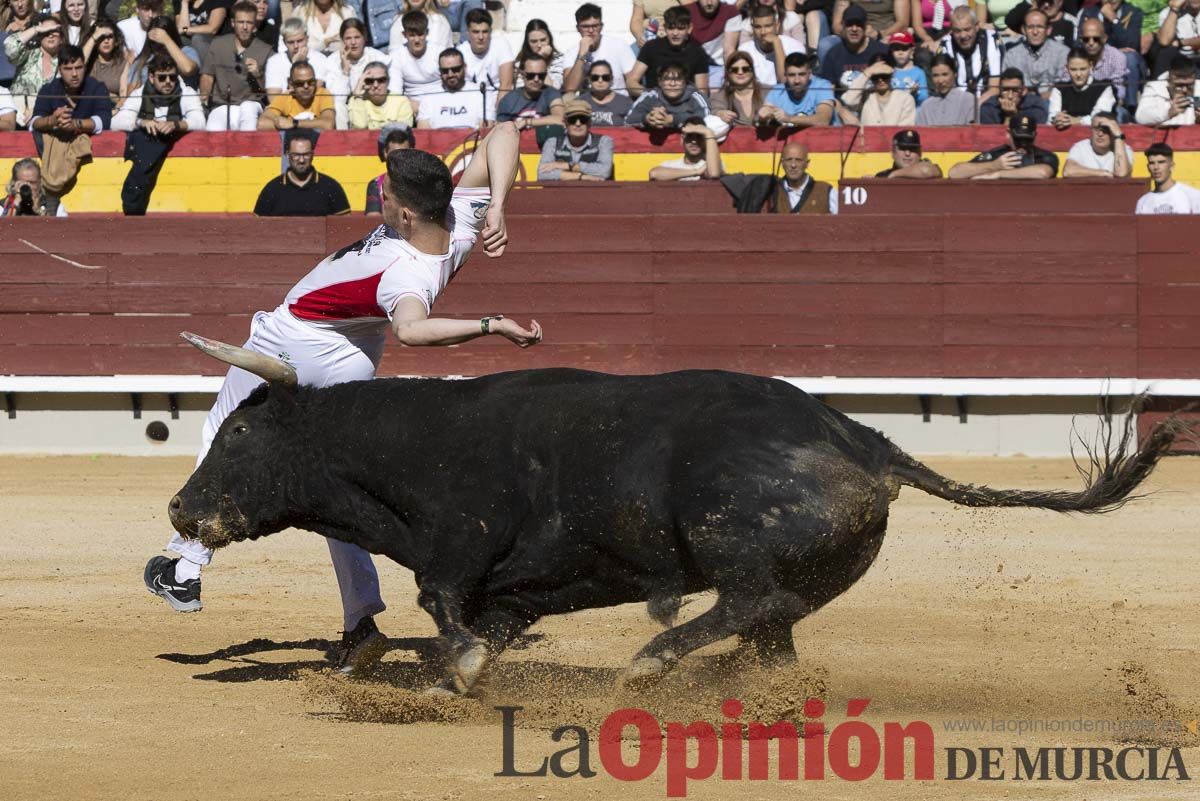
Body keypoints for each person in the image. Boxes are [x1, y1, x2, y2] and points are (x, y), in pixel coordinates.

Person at [144, 122, 542, 678]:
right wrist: (500, 204)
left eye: (388, 194)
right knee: (332, 488)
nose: (381, 195)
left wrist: (489, 324)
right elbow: (502, 131)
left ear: (405, 213)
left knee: (224, 430)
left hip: (296, 336)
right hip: (355, 350)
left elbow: (412, 327)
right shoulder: (463, 218)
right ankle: (360, 623)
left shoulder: (408, 272)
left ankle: (186, 564)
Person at [113, 54, 205, 215]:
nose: (168, 81)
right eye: (162, 78)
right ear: (151, 77)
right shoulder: (140, 93)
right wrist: (142, 122)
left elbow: (200, 121)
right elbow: (116, 122)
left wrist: (176, 125)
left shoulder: (186, 92)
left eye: (172, 77)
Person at [200, 0, 272, 130]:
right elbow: (207, 75)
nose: (245, 27)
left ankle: (247, 149)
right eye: (241, 22)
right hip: (222, 104)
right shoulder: (218, 44)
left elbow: (268, 92)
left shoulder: (266, 51)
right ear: (233, 23)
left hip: (252, 103)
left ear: (254, 25)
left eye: (249, 22)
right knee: (213, 130)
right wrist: (204, 95)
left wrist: (258, 75)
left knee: (248, 109)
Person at [252, 130, 350, 216]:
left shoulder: (331, 187)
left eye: (306, 154)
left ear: (312, 155)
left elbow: (346, 226)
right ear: (287, 155)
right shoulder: (272, 189)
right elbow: (256, 227)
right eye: (296, 155)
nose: (301, 160)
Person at [948, 111, 1060, 178]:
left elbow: (1043, 172)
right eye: (1018, 140)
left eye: (1027, 140)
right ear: (1008, 135)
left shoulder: (1044, 156)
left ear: (1035, 136)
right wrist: (994, 165)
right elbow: (955, 172)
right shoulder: (998, 155)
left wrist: (999, 174)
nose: (1023, 144)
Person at [631, 5, 713, 92]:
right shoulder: (651, 47)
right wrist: (650, 97)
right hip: (654, 101)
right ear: (665, 27)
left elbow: (702, 91)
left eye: (680, 28)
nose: (675, 33)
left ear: (689, 28)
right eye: (671, 28)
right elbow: (632, 82)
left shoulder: (698, 52)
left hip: (686, 102)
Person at [562, 3, 637, 96]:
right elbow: (570, 89)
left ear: (601, 26)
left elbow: (634, 83)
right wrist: (581, 55)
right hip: (587, 105)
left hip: (618, 103)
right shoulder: (572, 52)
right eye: (585, 26)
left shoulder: (620, 46)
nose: (590, 30)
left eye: (595, 26)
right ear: (578, 28)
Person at [4, 14, 63, 125]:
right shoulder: (29, 53)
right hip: (17, 115)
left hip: (46, 119)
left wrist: (37, 110)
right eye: (45, 31)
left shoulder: (64, 61)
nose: (50, 34)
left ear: (62, 38)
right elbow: (10, 48)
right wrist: (36, 29)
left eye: (54, 30)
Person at [537, 98, 614, 181]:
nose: (578, 124)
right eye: (572, 119)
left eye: (583, 119)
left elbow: (605, 171)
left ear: (590, 123)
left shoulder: (604, 141)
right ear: (564, 123)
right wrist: (582, 177)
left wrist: (568, 166)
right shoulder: (552, 142)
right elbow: (542, 174)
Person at [938, 6, 1002, 101]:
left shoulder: (992, 40)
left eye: (967, 29)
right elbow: (943, 87)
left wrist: (974, 106)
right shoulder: (945, 45)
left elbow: (994, 88)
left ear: (976, 26)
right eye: (957, 31)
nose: (963, 36)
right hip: (955, 102)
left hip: (985, 101)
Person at [819, 4, 887, 90]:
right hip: (843, 102)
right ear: (843, 26)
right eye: (849, 24)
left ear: (865, 26)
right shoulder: (833, 55)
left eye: (859, 24)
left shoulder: (882, 52)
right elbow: (828, 92)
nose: (854, 29)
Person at [626, 61, 712, 129]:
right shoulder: (650, 96)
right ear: (660, 82)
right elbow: (628, 120)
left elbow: (707, 117)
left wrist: (673, 119)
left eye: (678, 79)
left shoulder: (696, 96)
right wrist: (648, 118)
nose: (672, 84)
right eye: (667, 79)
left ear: (685, 82)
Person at [1003, 9, 1070, 95]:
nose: (1035, 32)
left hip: (1053, 103)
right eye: (1030, 27)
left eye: (1040, 27)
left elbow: (1065, 86)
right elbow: (1007, 85)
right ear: (1023, 30)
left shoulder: (1063, 53)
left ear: (1048, 29)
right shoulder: (1012, 55)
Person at [1061, 17, 1126, 105]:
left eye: (1096, 39)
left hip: (1107, 104)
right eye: (1086, 39)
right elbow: (1065, 85)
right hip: (1078, 102)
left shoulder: (1117, 57)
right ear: (1080, 39)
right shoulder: (1073, 58)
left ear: (1104, 38)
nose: (1091, 43)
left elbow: (1119, 90)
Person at [839, 53, 917, 125]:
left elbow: (906, 127)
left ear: (891, 74)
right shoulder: (865, 95)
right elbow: (849, 101)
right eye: (875, 76)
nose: (880, 80)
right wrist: (867, 73)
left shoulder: (905, 99)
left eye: (884, 75)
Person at [416, 48, 485, 128]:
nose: (450, 74)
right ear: (440, 71)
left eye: (456, 69)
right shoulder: (429, 96)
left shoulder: (480, 93)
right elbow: (424, 132)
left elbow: (485, 130)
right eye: (445, 71)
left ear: (464, 67)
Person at [258, 59, 336, 130]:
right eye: (300, 83)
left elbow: (328, 124)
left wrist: (294, 124)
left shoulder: (323, 94)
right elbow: (262, 124)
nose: (306, 86)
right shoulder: (286, 97)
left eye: (310, 82)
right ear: (290, 84)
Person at [1049, 47, 1117, 127]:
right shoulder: (1059, 89)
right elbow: (1051, 116)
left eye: (1083, 69)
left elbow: (1100, 118)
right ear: (1067, 68)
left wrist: (1077, 121)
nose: (1078, 74)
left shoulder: (1103, 88)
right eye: (1073, 69)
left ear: (1091, 66)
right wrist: (1057, 119)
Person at [762, 51, 835, 126]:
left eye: (802, 74)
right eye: (792, 75)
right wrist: (765, 114)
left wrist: (789, 118)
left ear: (810, 74)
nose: (797, 80)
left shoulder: (822, 86)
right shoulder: (777, 91)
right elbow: (764, 112)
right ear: (785, 75)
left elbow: (823, 120)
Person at [455, 8, 513, 102]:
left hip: (499, 100)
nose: (481, 37)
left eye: (485, 32)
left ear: (490, 31)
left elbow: (506, 86)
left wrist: (498, 114)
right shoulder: (460, 52)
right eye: (476, 32)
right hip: (470, 102)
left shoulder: (501, 45)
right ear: (468, 32)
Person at [266, 17, 332, 98]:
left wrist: (298, 65)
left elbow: (313, 94)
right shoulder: (274, 62)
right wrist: (295, 65)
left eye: (300, 41)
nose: (296, 46)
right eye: (291, 42)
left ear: (307, 39)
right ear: (284, 42)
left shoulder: (320, 59)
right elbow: (273, 99)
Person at [743, 2, 804, 86]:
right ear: (752, 28)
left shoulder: (794, 47)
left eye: (768, 26)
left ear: (777, 26)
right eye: (758, 27)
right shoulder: (744, 50)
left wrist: (777, 43)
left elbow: (785, 81)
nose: (763, 32)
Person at [495, 53, 564, 129]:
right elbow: (500, 128)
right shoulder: (509, 99)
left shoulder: (551, 93)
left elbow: (560, 119)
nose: (536, 79)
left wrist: (526, 122)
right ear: (522, 75)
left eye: (541, 76)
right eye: (531, 75)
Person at [769, 140, 836, 212]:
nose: (793, 165)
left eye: (798, 160)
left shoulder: (826, 191)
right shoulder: (773, 191)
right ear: (782, 163)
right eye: (789, 160)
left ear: (807, 163)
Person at [389, 10, 441, 101]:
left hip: (440, 102)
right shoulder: (396, 57)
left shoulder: (439, 52)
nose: (417, 40)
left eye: (420, 34)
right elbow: (395, 92)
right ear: (404, 35)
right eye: (412, 35)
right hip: (411, 105)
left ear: (427, 33)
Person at [1135, 141, 1200, 212]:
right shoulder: (1142, 202)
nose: (1156, 167)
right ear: (1148, 167)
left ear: (1171, 166)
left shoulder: (1193, 196)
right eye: (1152, 163)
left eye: (1161, 162)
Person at [648, 118, 723, 180]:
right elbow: (654, 174)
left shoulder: (711, 163)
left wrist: (708, 132)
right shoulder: (672, 165)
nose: (694, 141)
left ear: (704, 139)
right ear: (682, 139)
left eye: (699, 136)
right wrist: (696, 172)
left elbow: (714, 174)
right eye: (690, 136)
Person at [1062, 112, 1133, 177]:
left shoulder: (1124, 149)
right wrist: (1102, 173)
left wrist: (1118, 136)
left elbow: (1121, 174)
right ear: (1091, 130)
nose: (1100, 134)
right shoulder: (1081, 147)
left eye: (1106, 130)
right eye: (1096, 129)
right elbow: (1068, 171)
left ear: (1113, 131)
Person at [364, 123, 414, 215]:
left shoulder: (421, 182)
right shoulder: (376, 185)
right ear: (385, 153)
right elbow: (373, 219)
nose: (400, 159)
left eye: (404, 153)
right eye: (394, 154)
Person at [1136, 55, 1200, 125]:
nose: (1184, 90)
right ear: (1169, 79)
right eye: (1180, 85)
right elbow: (1140, 117)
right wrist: (1169, 112)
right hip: (1162, 134)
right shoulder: (1155, 88)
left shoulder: (1198, 87)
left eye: (1189, 85)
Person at [349, 61, 415, 128]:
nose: (375, 85)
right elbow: (359, 127)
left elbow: (403, 132)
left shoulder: (401, 101)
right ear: (364, 82)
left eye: (381, 80)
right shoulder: (356, 100)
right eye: (370, 81)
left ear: (388, 81)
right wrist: (358, 96)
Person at [710, 51, 768, 126]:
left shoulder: (768, 91)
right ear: (728, 73)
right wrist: (719, 113)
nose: (740, 72)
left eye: (745, 69)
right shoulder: (720, 96)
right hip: (735, 136)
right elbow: (715, 110)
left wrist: (772, 112)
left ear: (752, 71)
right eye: (734, 70)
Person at [916, 52, 976, 123]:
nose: (940, 80)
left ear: (955, 75)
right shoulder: (925, 106)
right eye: (935, 75)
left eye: (945, 74)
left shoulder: (968, 100)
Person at [980, 67, 1051, 123]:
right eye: (1005, 90)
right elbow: (992, 137)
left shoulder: (1036, 106)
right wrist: (1008, 116)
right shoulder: (989, 107)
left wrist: (1013, 115)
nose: (1010, 96)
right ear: (999, 90)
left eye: (1015, 91)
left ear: (1024, 91)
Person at [292, 0, 359, 57]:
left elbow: (356, 41)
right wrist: (325, 42)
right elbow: (291, 43)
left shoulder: (347, 12)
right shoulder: (300, 13)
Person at [575, 59, 633, 125]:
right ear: (589, 79)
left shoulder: (625, 103)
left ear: (611, 79)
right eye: (595, 77)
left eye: (605, 77)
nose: (600, 81)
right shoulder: (579, 102)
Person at [2, 158, 67, 216]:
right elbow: (3, 228)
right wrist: (15, 205)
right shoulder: (4, 205)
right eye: (23, 183)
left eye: (32, 183)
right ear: (14, 184)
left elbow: (63, 228)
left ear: (40, 183)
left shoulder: (54, 207)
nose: (28, 187)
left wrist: (39, 211)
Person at [83, 18, 127, 101]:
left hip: (113, 108)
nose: (106, 41)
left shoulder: (122, 63)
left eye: (110, 37)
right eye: (102, 37)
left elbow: (123, 96)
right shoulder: (89, 61)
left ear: (116, 40)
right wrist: (94, 37)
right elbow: (79, 63)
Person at [514, 19, 566, 90]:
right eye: (534, 41)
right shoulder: (520, 62)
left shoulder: (558, 59)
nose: (539, 45)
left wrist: (541, 59)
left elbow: (553, 88)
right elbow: (520, 88)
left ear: (549, 39)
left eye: (543, 40)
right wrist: (539, 57)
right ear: (528, 43)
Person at [874, 128, 943, 178]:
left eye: (912, 149)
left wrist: (894, 174)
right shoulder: (881, 177)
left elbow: (925, 171)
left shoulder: (932, 169)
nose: (907, 153)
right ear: (892, 153)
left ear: (920, 153)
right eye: (902, 148)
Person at [888, 31, 929, 104]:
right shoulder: (889, 72)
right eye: (896, 49)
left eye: (904, 49)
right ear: (891, 51)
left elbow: (924, 98)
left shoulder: (919, 72)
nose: (900, 53)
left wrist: (915, 94)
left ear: (912, 51)